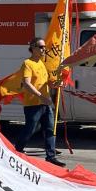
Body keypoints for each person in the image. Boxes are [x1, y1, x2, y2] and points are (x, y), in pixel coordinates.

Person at [14, 37, 65, 167]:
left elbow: (46, 82)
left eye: (44, 47)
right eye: (41, 47)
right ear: (33, 48)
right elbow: (26, 84)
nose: (44, 49)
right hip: (33, 104)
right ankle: (16, 151)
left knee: (49, 129)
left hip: (45, 103)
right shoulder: (27, 63)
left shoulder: (42, 64)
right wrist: (40, 96)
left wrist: (55, 84)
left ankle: (51, 156)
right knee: (30, 129)